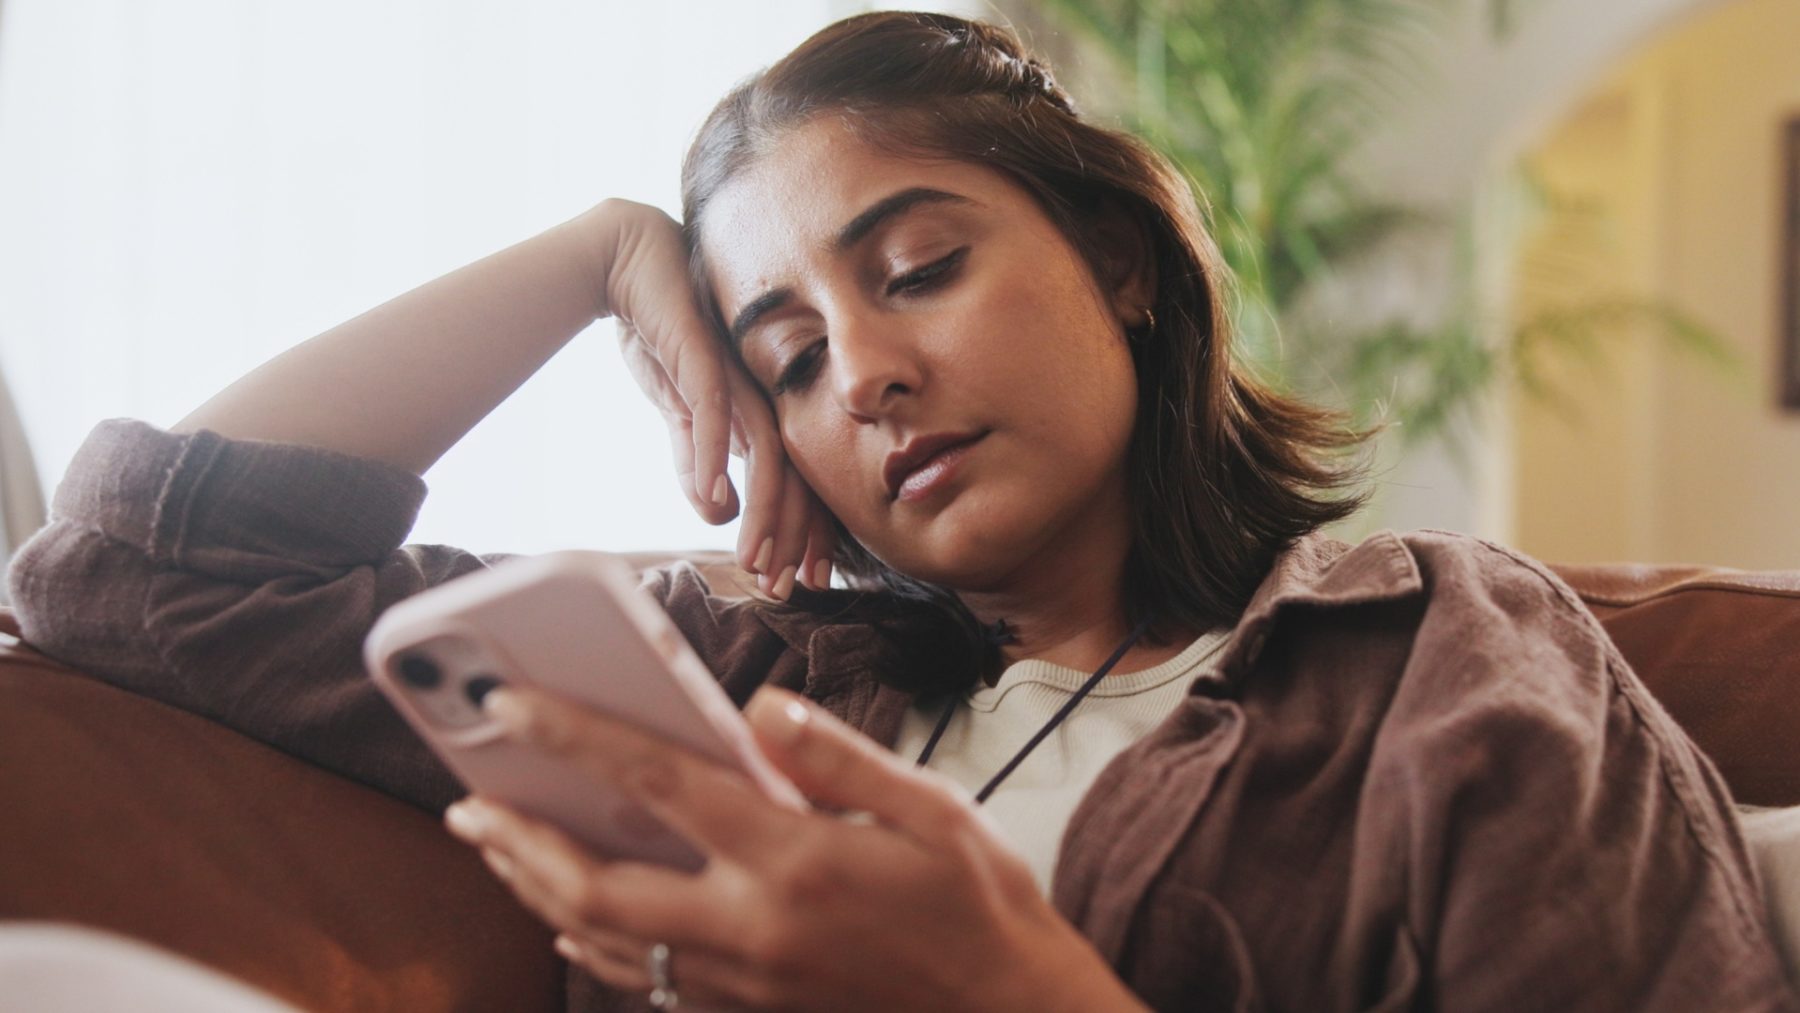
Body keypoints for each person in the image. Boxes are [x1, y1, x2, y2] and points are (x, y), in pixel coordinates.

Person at [8, 10, 1797, 1012]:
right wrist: (588, 257)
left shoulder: (1447, 667)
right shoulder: (744, 679)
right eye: (781, 356)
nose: (857, 374)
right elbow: (125, 569)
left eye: (919, 266)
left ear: (1124, 266)